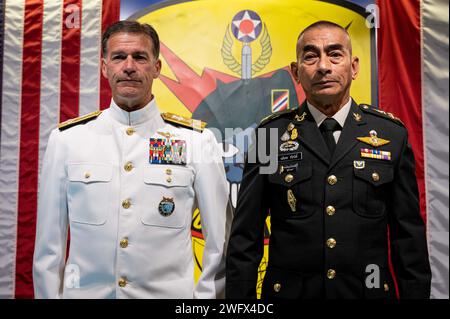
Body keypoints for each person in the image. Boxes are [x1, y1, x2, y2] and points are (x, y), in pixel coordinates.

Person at [225, 21, 431, 299]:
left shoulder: (390, 135)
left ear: (354, 67)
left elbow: (409, 240)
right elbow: (245, 239)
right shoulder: (269, 136)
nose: (324, 66)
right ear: (296, 72)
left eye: (335, 54)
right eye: (311, 56)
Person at [33, 21, 232, 299]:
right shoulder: (67, 140)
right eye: (118, 57)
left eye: (139, 57)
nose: (129, 66)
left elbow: (221, 243)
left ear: (157, 68)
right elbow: (48, 250)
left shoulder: (197, 141)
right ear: (104, 68)